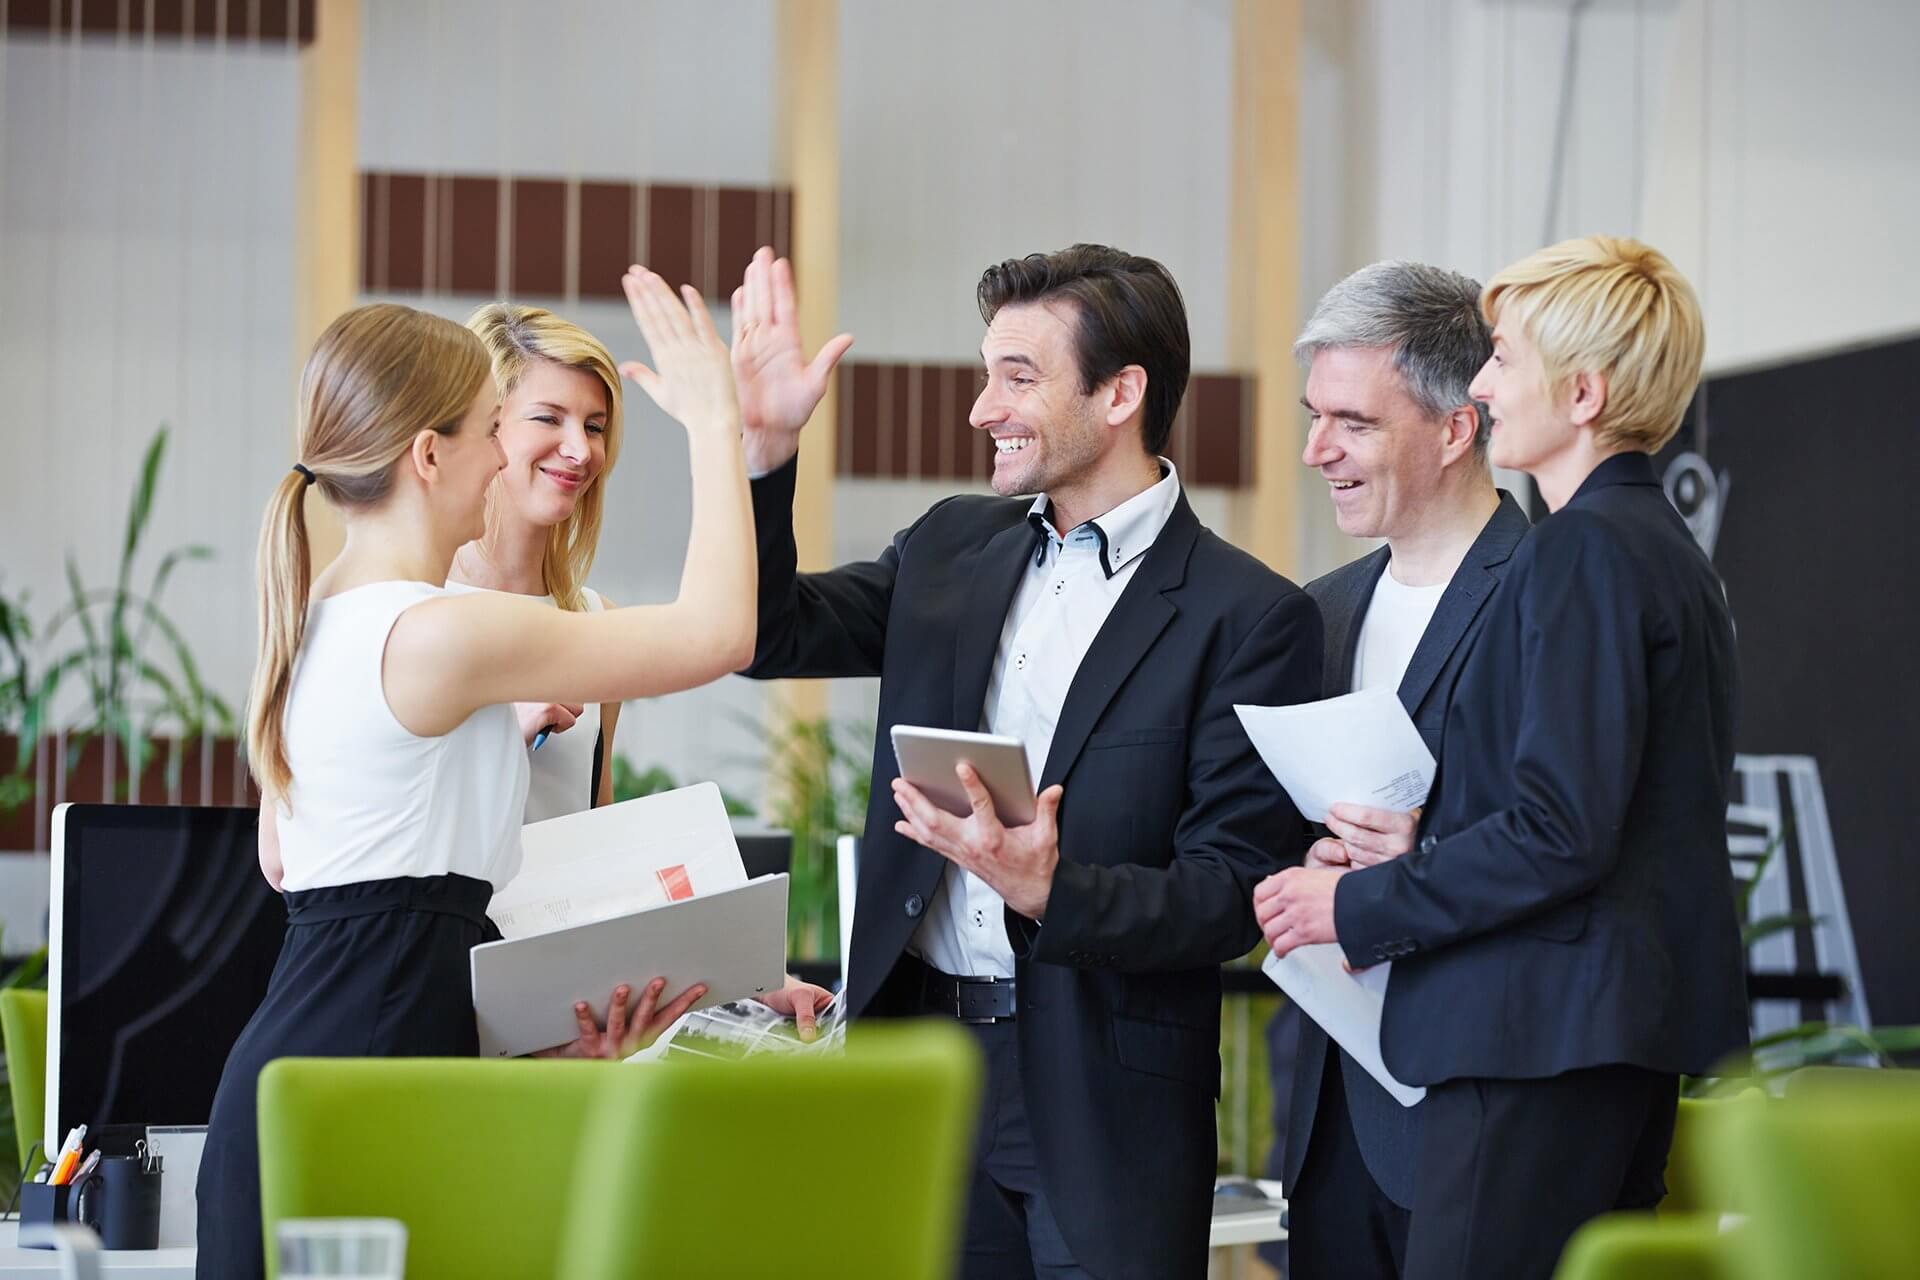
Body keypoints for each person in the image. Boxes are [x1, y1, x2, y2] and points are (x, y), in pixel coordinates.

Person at [730, 243, 1322, 1279]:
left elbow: (1231, 893)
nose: (981, 409)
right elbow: (768, 633)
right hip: (922, 1065)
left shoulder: (1250, 615)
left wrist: (1053, 890)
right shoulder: (949, 546)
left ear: (1120, 394)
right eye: (986, 372)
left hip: (1105, 1099)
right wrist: (765, 454)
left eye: (1017, 377)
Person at [201, 270, 769, 1278]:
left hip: (335, 1073)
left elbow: (372, 918)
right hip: (363, 1090)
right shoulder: (439, 633)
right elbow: (720, 631)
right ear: (431, 454)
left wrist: (525, 1045)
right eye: (491, 428)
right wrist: (716, 421)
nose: (508, 455)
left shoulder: (320, 613)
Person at [1257, 236, 1747, 1279]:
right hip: (1602, 1036)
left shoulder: (1581, 546)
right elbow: (1604, 804)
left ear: (1583, 394)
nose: (1481, 387)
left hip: (1534, 1037)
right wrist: (1425, 839)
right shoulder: (1660, 547)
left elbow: (1560, 828)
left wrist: (1358, 902)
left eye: (1505, 361)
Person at [1258, 261, 1529, 1279]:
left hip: (1478, 1106)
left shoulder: (1547, 593)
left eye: (1354, 423)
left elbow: (1576, 831)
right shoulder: (1317, 610)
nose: (1315, 450)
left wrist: (1421, 850)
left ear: (1457, 428)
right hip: (1330, 1108)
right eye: (1314, 417)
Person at [447, 304, 627, 819]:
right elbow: (297, 851)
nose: (580, 451)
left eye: (594, 427)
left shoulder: (598, 624)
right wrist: (498, 741)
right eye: (549, 418)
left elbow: (598, 826)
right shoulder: (400, 612)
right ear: (483, 427)